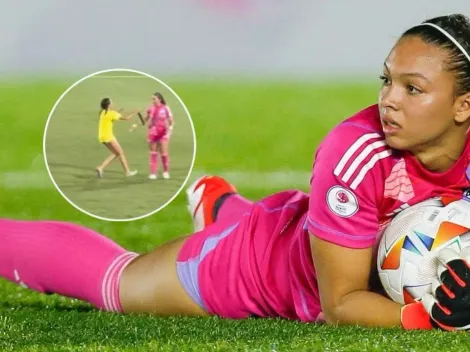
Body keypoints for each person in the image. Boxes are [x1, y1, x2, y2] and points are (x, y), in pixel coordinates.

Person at [1, 14, 470, 331]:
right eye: (387, 80)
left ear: (463, 105)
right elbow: (341, 302)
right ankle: (228, 221)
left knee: (282, 225)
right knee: (119, 286)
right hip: (261, 268)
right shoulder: (355, 153)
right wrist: (429, 317)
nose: (389, 99)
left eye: (414, 89)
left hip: (304, 227)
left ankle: (223, 207)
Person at [131, 92, 174, 180]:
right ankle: (153, 173)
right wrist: (137, 125)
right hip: (153, 133)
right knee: (153, 153)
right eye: (152, 99)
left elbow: (171, 120)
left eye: (154, 99)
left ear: (159, 99)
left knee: (164, 154)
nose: (153, 100)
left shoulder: (165, 108)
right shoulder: (151, 109)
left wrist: (170, 129)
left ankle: (165, 172)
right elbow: (145, 121)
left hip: (163, 134)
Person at [96, 97, 139, 178]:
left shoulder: (102, 112)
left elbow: (110, 119)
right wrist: (135, 112)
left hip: (102, 137)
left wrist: (118, 112)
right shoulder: (112, 113)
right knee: (121, 153)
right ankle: (127, 172)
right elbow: (127, 118)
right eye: (111, 103)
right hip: (109, 136)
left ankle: (101, 168)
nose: (113, 104)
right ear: (109, 105)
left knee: (116, 153)